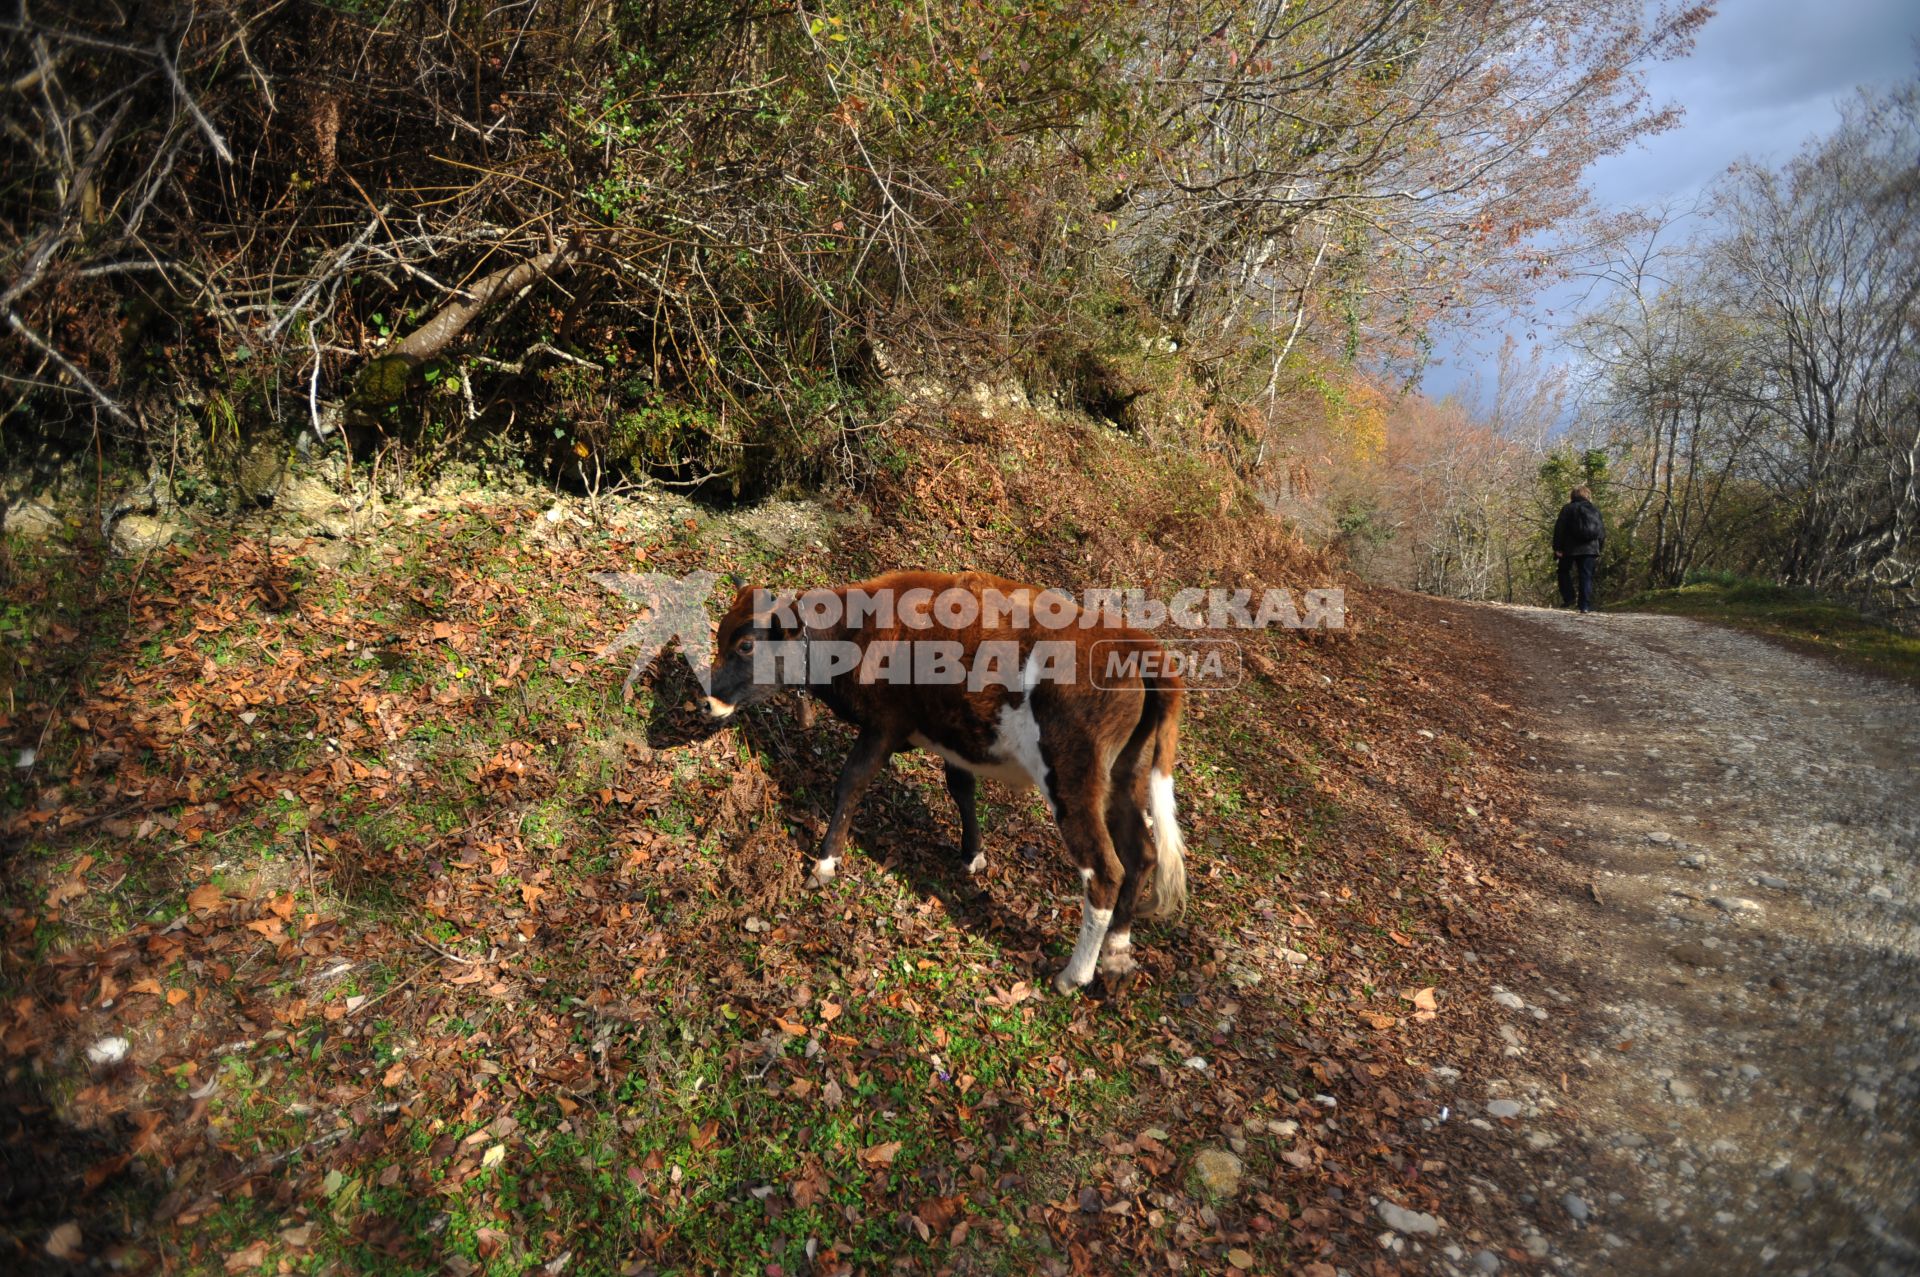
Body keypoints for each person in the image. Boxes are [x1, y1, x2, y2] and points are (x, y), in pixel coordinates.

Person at [1552, 485, 1604, 613]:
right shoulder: (1594, 509)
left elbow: (1560, 529)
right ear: (1587, 495)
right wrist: (1599, 548)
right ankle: (1584, 606)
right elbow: (1601, 532)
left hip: (1569, 548)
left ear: (1573, 496)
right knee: (1586, 576)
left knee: (1563, 571)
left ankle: (1569, 598)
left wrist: (1557, 547)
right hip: (1590, 549)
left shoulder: (1568, 508)